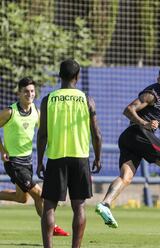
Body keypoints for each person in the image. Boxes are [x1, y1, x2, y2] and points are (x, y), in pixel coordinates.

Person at [95, 67, 160, 228]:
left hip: (129, 137)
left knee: (126, 177)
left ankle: (104, 204)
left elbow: (159, 117)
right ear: (159, 80)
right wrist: (144, 124)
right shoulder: (152, 94)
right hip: (139, 133)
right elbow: (128, 110)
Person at [37, 59, 102, 248]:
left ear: (59, 76)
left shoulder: (48, 99)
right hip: (80, 157)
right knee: (79, 206)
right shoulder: (86, 99)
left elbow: (42, 135)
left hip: (56, 157)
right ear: (77, 76)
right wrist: (98, 158)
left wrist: (40, 161)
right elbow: (96, 133)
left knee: (49, 205)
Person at [0, 77, 69, 236]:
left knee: (21, 198)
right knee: (40, 194)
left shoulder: (37, 112)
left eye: (32, 91)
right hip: (14, 162)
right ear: (19, 93)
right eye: (26, 91)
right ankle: (52, 227)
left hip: (28, 161)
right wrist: (2, 150)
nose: (29, 94)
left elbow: (46, 133)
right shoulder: (10, 112)